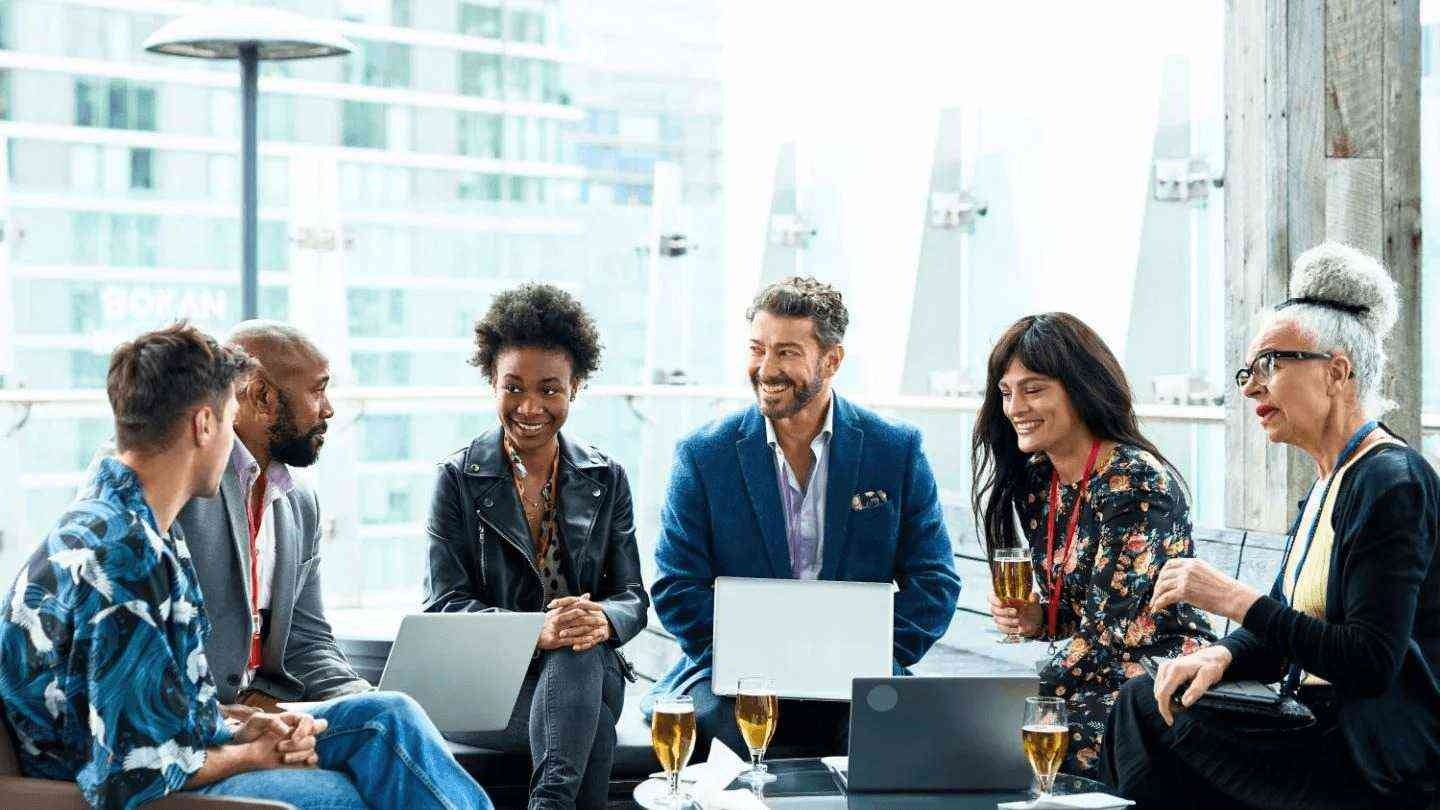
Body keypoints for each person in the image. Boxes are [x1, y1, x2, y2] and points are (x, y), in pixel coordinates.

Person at [0, 323, 491, 810]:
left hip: (177, 744)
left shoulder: (139, 524)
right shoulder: (125, 555)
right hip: (107, 783)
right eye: (231, 413)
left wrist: (252, 726)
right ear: (204, 424)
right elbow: (134, 768)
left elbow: (169, 705)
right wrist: (253, 755)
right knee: (340, 794)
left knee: (389, 717)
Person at [1102, 243, 1440, 808]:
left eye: (1271, 364)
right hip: (1321, 725)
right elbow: (1285, 621)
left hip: (1376, 753)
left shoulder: (1390, 481)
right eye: (1248, 371)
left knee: (1146, 713)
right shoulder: (1330, 481)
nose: (1252, 386)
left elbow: (1369, 662)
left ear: (1337, 371)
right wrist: (1222, 654)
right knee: (1153, 699)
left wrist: (1232, 597)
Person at [648, 275, 962, 757]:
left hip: (859, 671)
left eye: (787, 352)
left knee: (888, 740)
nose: (766, 368)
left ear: (832, 360)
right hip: (736, 672)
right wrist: (747, 658)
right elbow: (676, 585)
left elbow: (934, 580)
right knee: (733, 744)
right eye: (758, 348)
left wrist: (873, 656)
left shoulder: (894, 450)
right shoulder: (703, 455)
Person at [424, 283, 647, 810]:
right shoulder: (457, 478)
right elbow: (443, 604)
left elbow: (632, 595)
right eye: (513, 387)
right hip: (495, 682)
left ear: (576, 387)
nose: (530, 406)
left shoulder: (605, 476)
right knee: (586, 708)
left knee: (581, 649)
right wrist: (535, 631)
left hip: (585, 670)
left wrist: (601, 619)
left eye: (550, 389)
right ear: (491, 383)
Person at [971, 313, 1214, 778]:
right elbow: (1085, 613)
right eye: (1006, 392)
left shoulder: (1134, 481)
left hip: (1161, 677)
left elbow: (1110, 634)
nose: (1015, 407)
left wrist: (1002, 698)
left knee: (1003, 742)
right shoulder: (1041, 483)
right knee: (989, 738)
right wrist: (1041, 619)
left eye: (1034, 388)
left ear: (1080, 388)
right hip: (1093, 678)